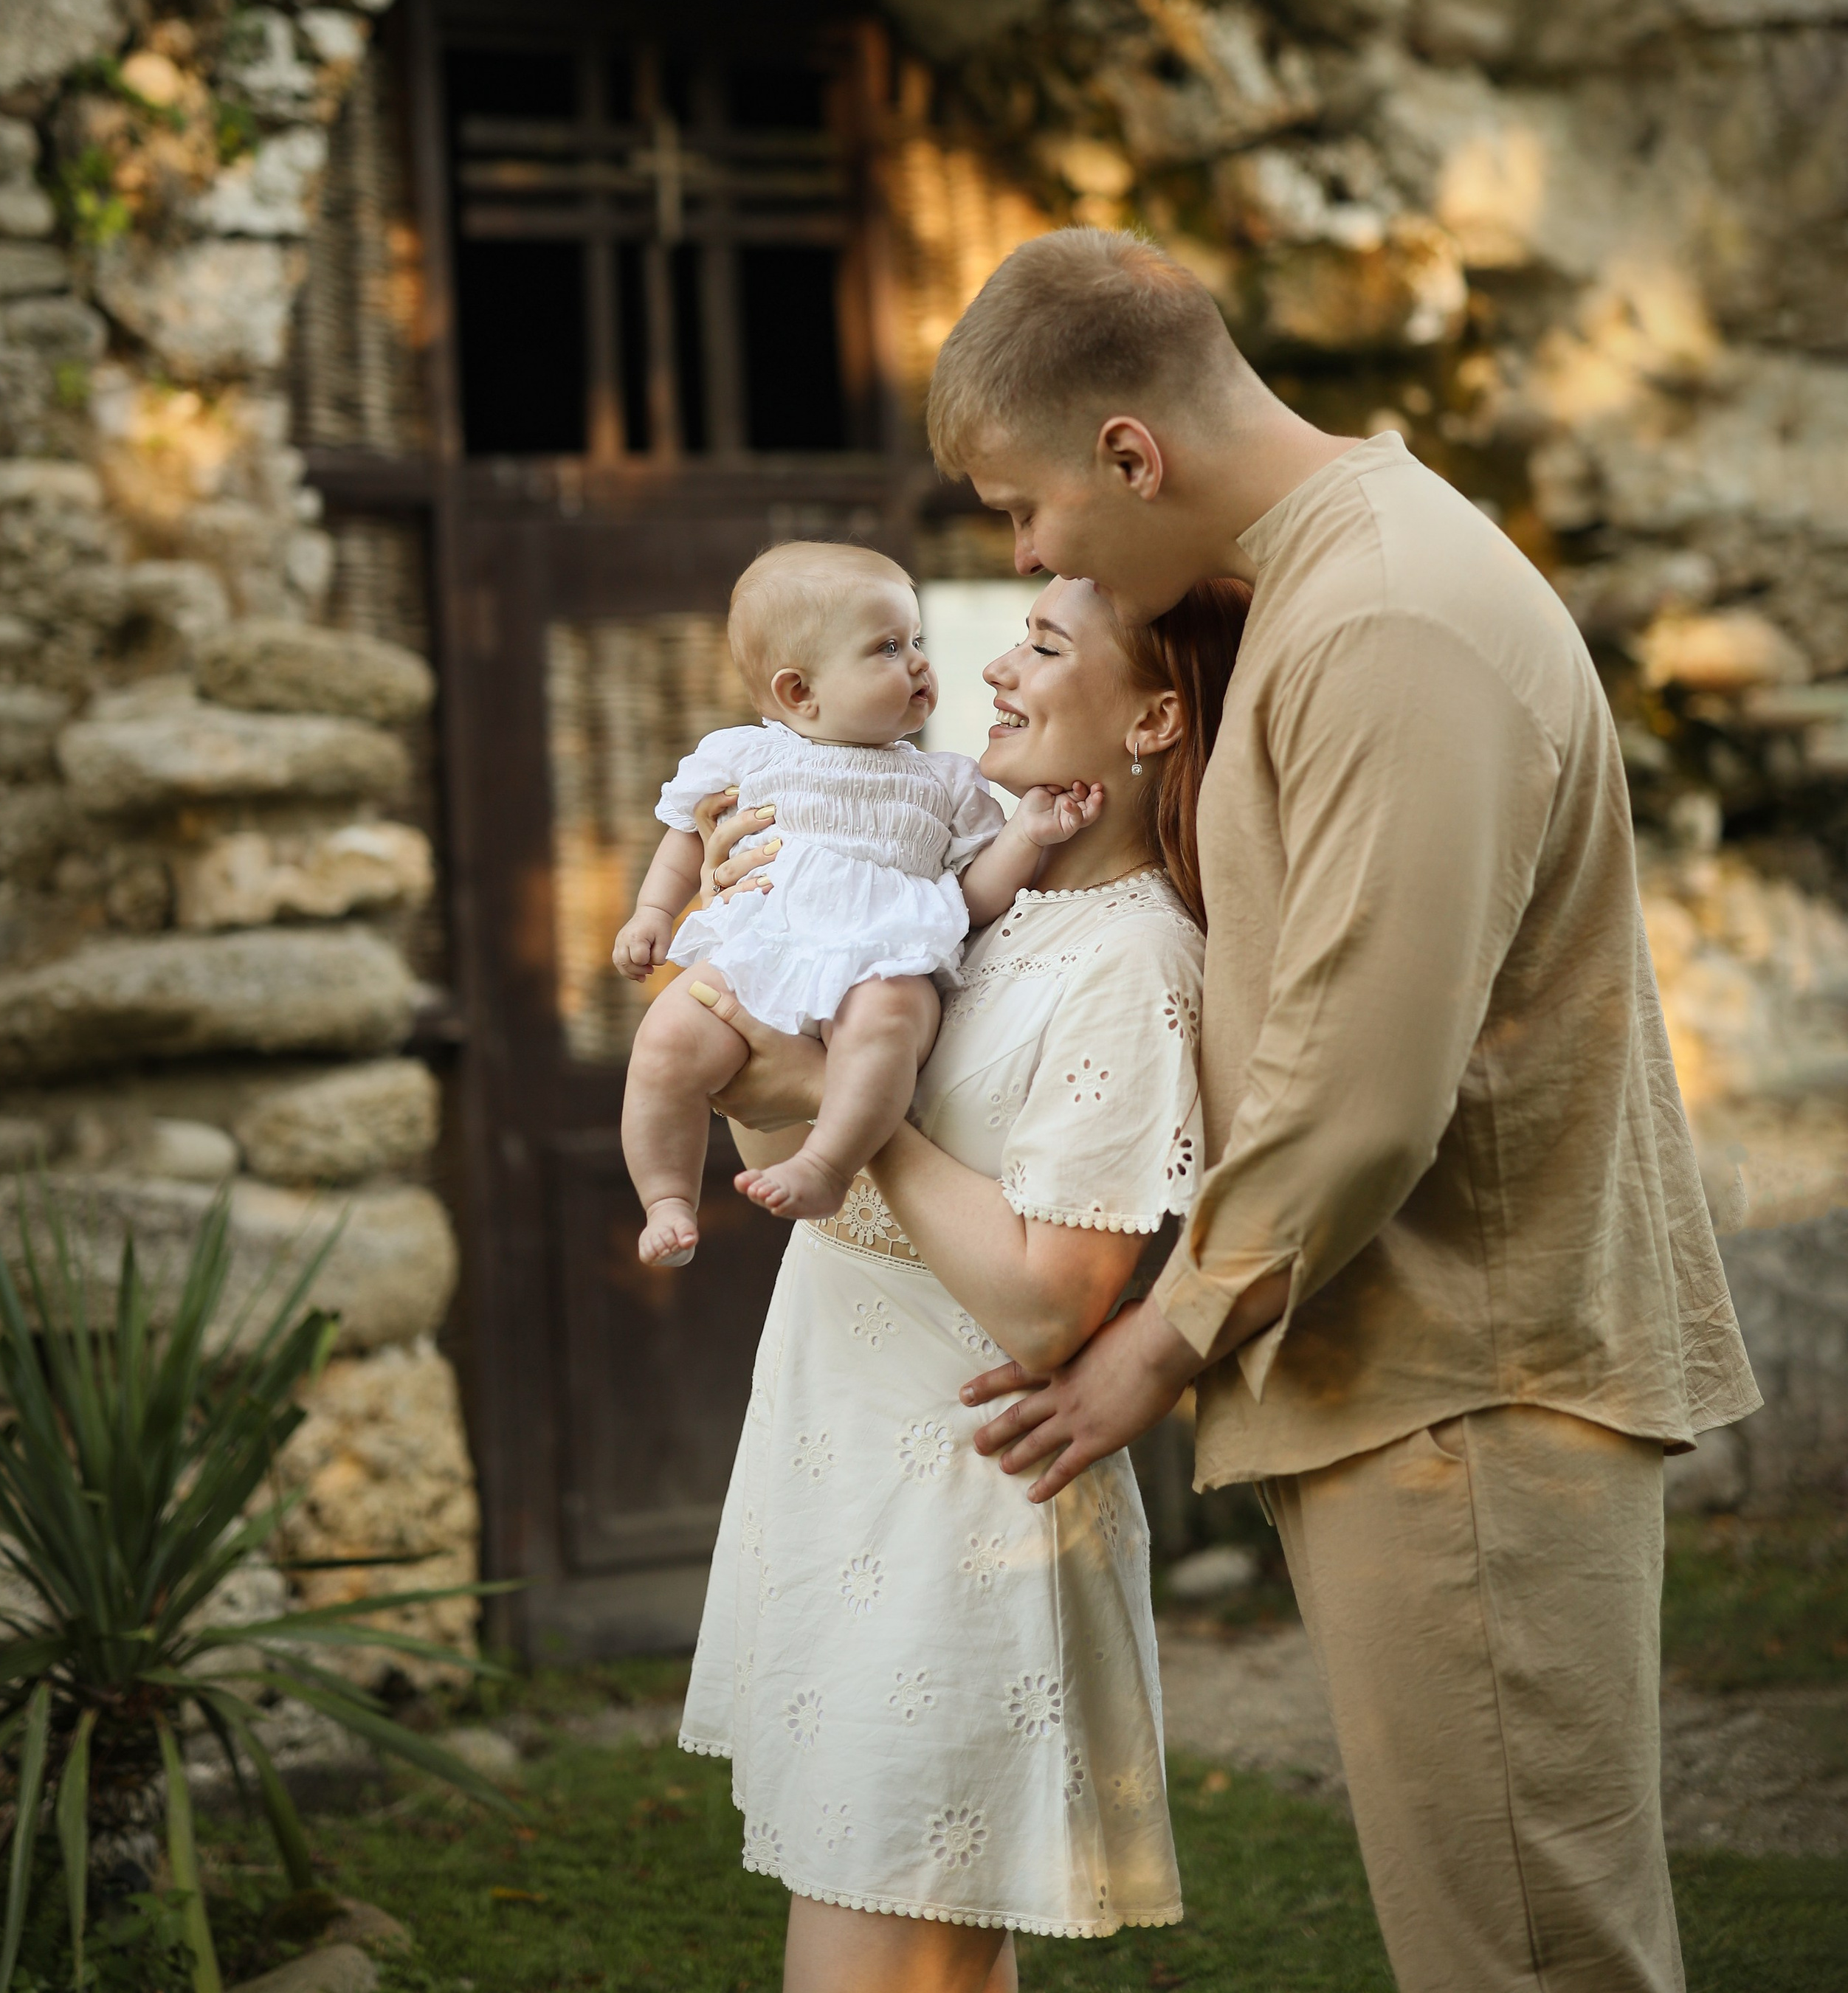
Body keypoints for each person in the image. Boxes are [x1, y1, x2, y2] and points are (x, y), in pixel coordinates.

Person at [903, 227, 1759, 1993]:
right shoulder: (1316, 585)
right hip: (1412, 1381)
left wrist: (1164, 1336)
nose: (1024, 559)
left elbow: (1364, 1084)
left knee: (1523, 1961)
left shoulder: (1378, 613)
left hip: (1468, 1391)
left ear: (1126, 451)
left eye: (1022, 508)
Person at [678, 570, 1250, 1992]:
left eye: (1047, 645)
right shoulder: (960, 893)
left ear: (1157, 717)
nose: (992, 668)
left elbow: (1052, 1304)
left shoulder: (1135, 961)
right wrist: (740, 952)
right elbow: (765, 1126)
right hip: (838, 1470)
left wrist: (846, 1113)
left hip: (963, 1508)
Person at [613, 541, 1100, 1259]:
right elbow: (690, 834)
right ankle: (666, 1199)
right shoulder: (750, 756)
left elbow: (969, 901)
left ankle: (828, 1163)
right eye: (887, 647)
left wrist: (1025, 833)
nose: (918, 663)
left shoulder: (945, 783)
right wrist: (655, 912)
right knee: (664, 1042)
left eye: (917, 641)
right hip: (760, 954)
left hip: (876, 962)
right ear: (798, 693)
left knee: (890, 1017)